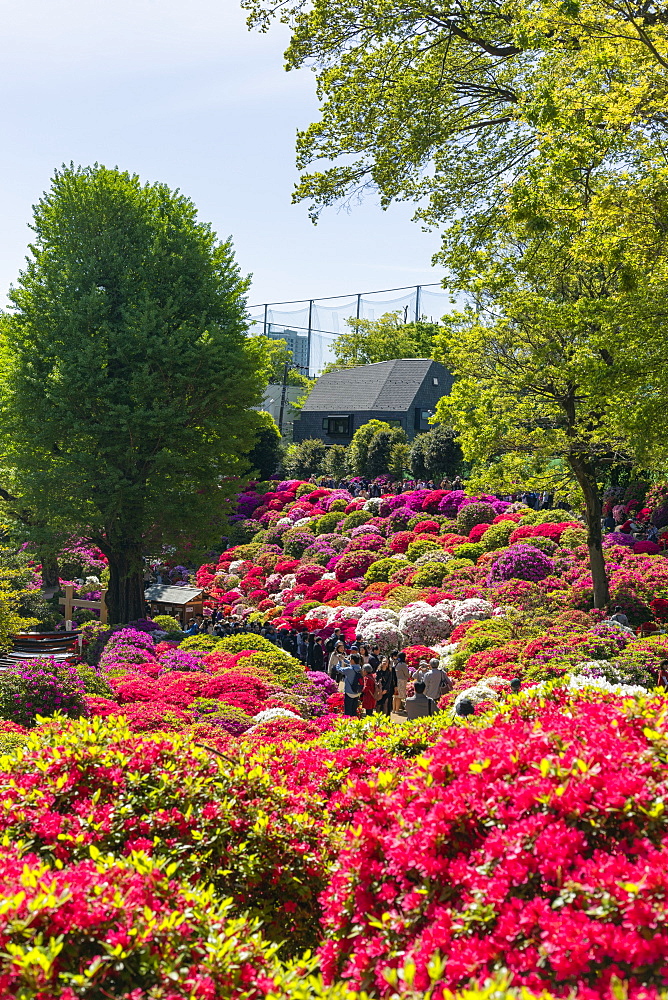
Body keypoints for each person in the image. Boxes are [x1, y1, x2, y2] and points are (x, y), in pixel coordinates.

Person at [339, 653, 362, 717]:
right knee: (354, 711)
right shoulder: (360, 669)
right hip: (357, 692)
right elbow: (352, 664)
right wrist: (344, 659)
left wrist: (340, 661)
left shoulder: (349, 669)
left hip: (349, 692)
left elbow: (339, 669)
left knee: (348, 711)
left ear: (352, 660)